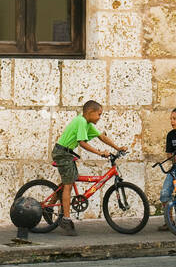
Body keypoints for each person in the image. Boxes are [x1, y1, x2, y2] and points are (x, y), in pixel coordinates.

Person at [52, 100, 126, 236]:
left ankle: (51, 206)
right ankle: (66, 220)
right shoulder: (81, 121)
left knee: (68, 180)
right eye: (99, 114)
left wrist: (117, 148)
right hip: (62, 153)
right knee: (68, 184)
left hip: (67, 153)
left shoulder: (87, 124)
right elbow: (81, 143)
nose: (100, 117)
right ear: (90, 112)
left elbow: (102, 137)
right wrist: (99, 153)